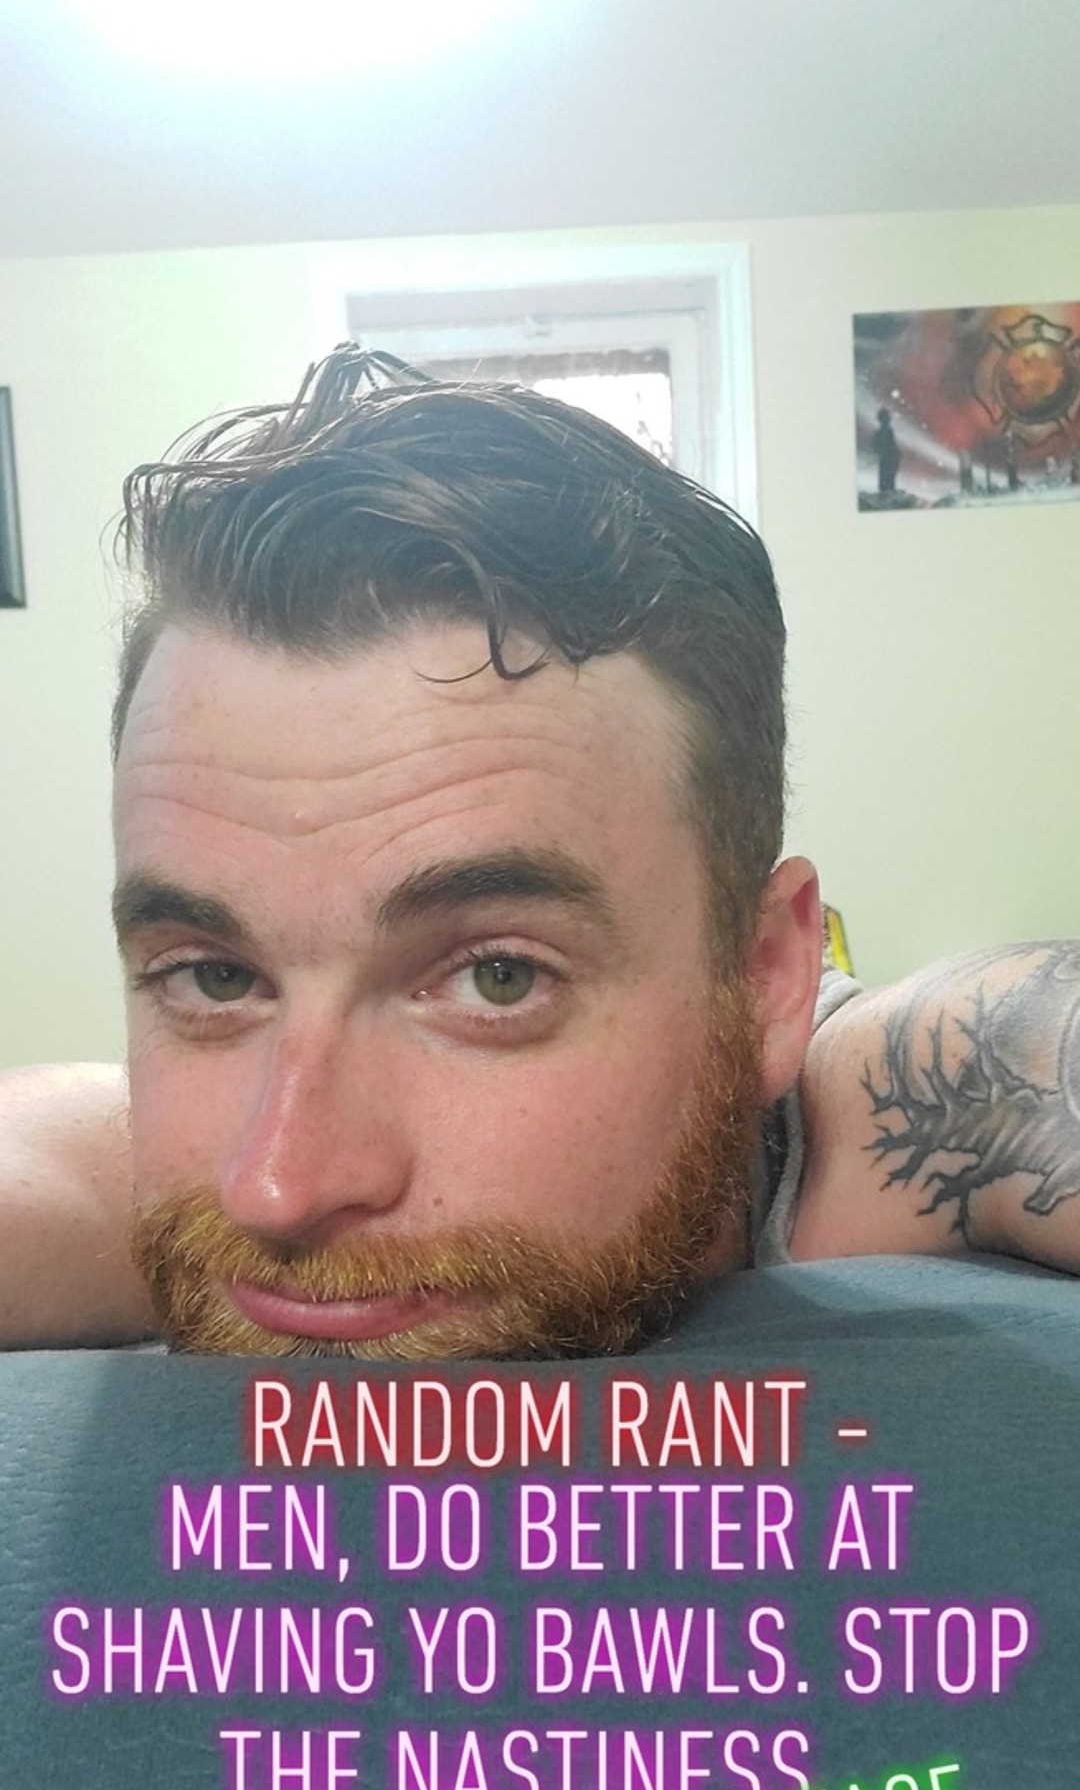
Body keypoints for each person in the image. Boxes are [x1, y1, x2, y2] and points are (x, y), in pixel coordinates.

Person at [2, 347, 1078, 1358]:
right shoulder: (162, 1158)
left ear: (765, 980)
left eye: (497, 977)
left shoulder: (889, 1113)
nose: (277, 1189)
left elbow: (1030, 1051)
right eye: (215, 976)